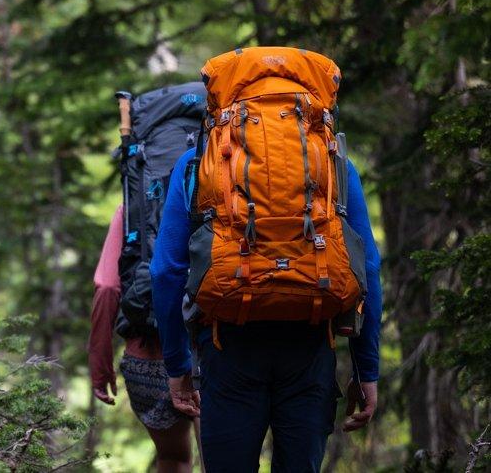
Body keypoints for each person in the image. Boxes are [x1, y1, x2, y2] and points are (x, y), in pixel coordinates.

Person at [149, 146, 382, 472]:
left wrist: (177, 367)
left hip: (227, 344)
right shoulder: (332, 159)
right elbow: (367, 267)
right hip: (310, 343)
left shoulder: (199, 161)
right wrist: (366, 370)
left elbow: (165, 271)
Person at [89, 204, 194, 472]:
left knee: (174, 459)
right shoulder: (215, 187)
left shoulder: (131, 206)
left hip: (145, 357)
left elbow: (107, 286)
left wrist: (100, 364)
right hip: (204, 350)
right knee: (221, 462)